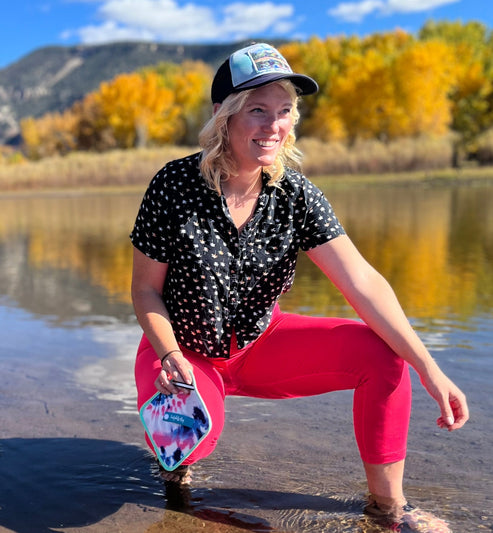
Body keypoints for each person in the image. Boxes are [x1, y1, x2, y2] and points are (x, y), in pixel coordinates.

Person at [129, 42, 469, 530]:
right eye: (257, 110)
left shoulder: (296, 194)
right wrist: (167, 354)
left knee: (383, 355)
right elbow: (145, 291)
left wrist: (429, 368)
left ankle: (389, 509)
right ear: (223, 117)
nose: (274, 124)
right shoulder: (174, 185)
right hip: (182, 353)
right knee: (190, 443)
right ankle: (177, 470)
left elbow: (363, 282)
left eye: (284, 110)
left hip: (260, 343)